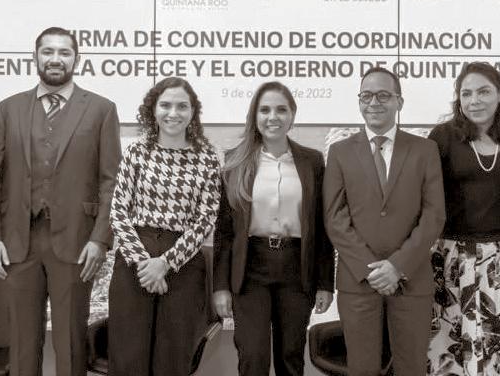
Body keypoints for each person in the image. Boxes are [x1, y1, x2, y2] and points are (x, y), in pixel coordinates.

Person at [0, 27, 121, 376]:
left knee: (71, 343)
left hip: (77, 241)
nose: (55, 59)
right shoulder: (8, 109)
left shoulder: (101, 110)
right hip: (18, 240)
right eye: (47, 51)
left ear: (77, 59)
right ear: (35, 57)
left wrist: (100, 239)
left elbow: (111, 181)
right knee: (22, 343)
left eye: (64, 52)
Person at [324, 67, 446, 376]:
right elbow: (335, 218)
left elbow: (434, 215)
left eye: (383, 95)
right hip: (358, 281)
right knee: (362, 369)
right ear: (359, 101)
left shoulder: (425, 150)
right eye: (366, 96)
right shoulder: (339, 152)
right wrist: (372, 270)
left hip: (411, 278)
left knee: (411, 368)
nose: (374, 103)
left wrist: (396, 266)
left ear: (399, 102)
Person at [427, 62, 500, 375]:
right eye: (466, 94)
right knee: (453, 352)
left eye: (483, 92)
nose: (474, 100)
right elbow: (424, 196)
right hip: (452, 257)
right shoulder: (442, 137)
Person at [213, 82, 335, 376]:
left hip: (296, 269)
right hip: (250, 269)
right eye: (265, 110)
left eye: (281, 110)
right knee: (252, 355)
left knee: (290, 356)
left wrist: (324, 283)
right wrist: (220, 287)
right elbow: (224, 232)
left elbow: (321, 228)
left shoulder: (312, 161)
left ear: (292, 115)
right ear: (254, 115)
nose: (273, 117)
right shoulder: (235, 160)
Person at [108, 77, 221, 376]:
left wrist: (165, 263)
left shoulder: (207, 157)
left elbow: (205, 219)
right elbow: (118, 211)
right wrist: (144, 264)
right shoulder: (136, 151)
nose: (174, 113)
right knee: (128, 355)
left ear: (193, 111)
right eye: (166, 105)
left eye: (182, 106)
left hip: (183, 264)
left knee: (172, 358)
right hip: (135, 260)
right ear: (153, 110)